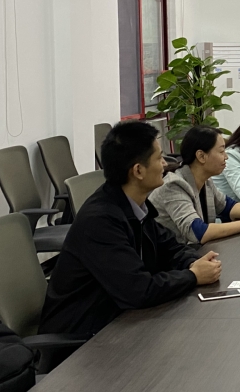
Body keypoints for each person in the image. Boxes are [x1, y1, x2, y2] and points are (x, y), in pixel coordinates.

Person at [39, 121, 222, 337]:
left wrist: (193, 263)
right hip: (83, 337)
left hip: (121, 320)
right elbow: (139, 290)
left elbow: (172, 248)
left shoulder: (138, 207)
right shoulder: (100, 221)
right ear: (138, 171)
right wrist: (192, 276)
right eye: (159, 158)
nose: (165, 164)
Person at [150, 126, 240, 245]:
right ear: (201, 156)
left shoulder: (205, 180)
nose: (226, 157)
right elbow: (198, 232)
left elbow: (227, 206)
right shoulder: (174, 185)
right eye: (221, 151)